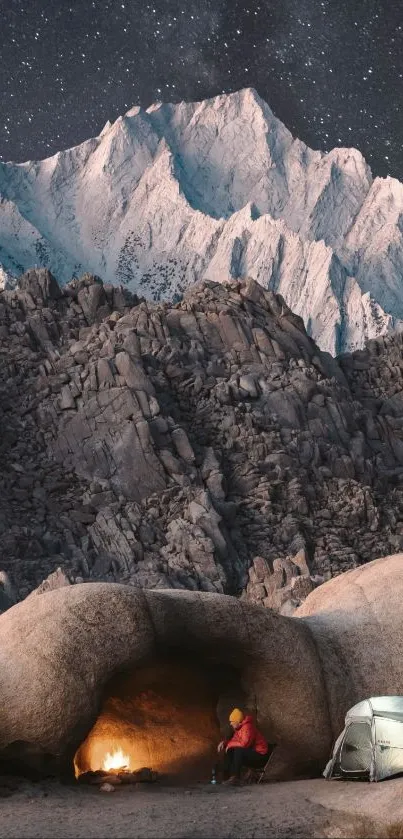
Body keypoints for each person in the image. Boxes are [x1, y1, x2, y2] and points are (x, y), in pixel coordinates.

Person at [217, 708, 270, 785]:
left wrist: (230, 745)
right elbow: (234, 741)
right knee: (231, 750)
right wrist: (225, 743)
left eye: (232, 722)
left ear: (238, 721)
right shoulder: (238, 729)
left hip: (260, 756)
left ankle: (236, 777)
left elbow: (245, 744)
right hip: (252, 753)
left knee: (239, 750)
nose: (230, 724)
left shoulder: (248, 727)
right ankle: (228, 777)